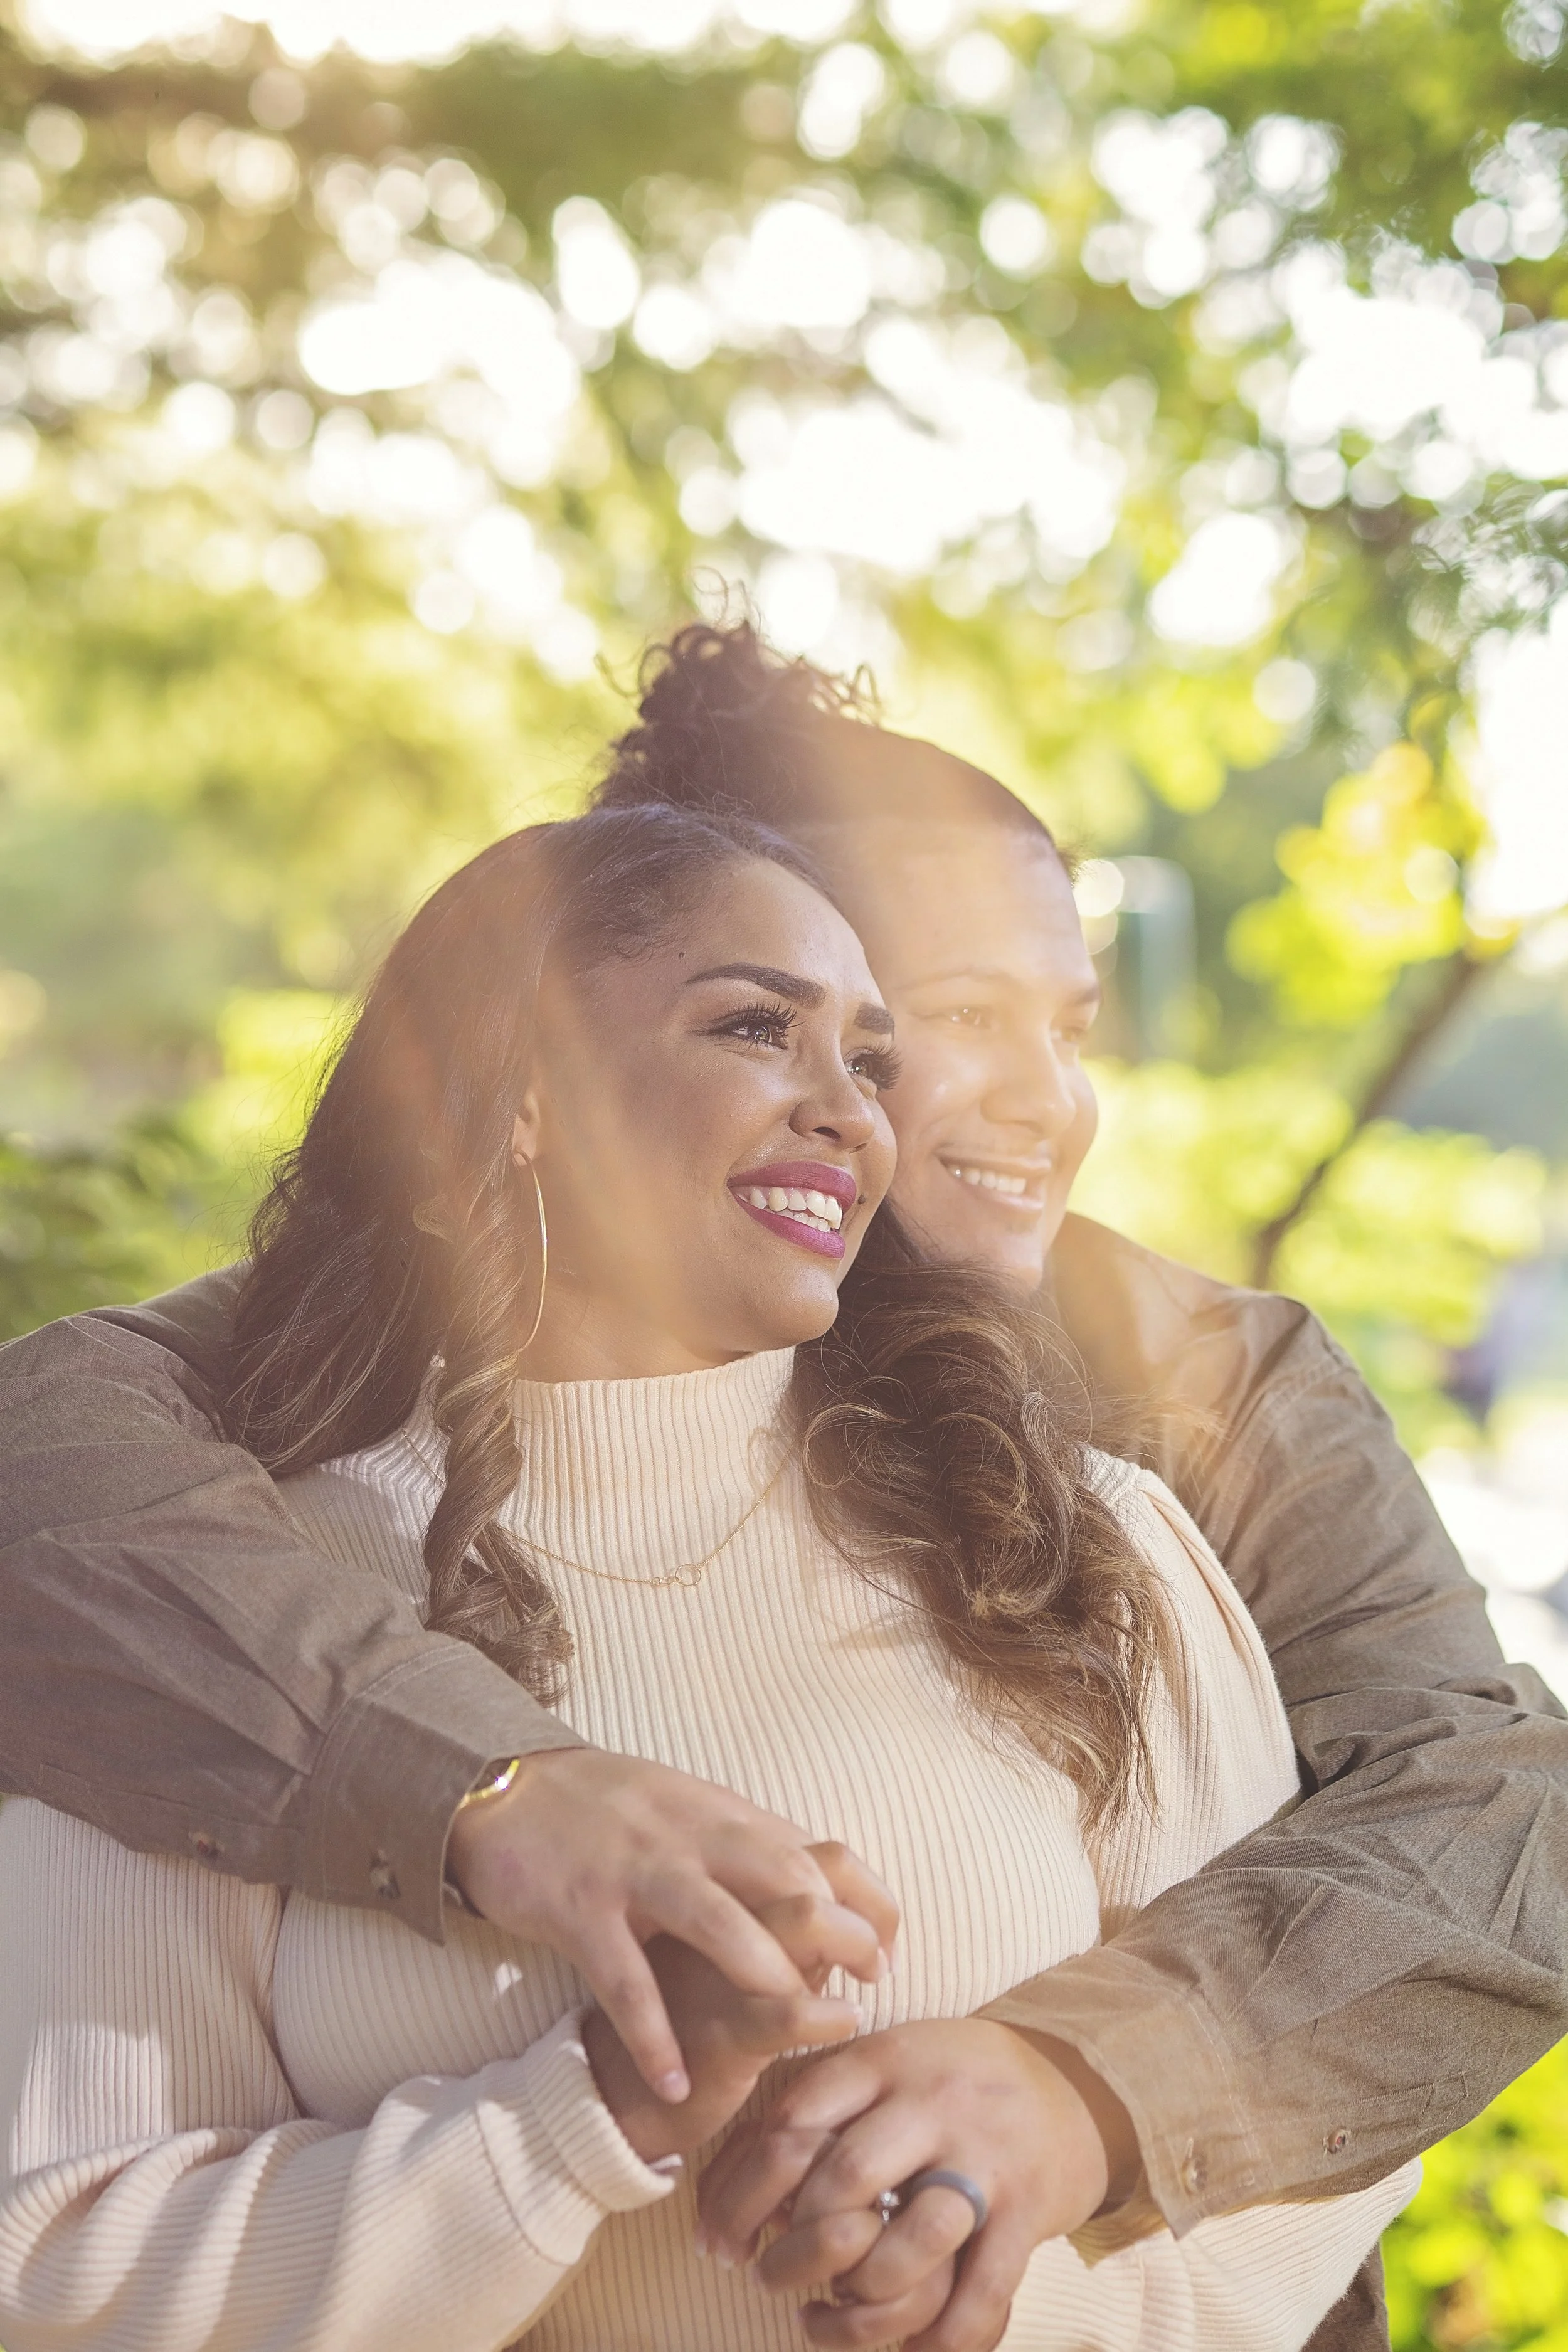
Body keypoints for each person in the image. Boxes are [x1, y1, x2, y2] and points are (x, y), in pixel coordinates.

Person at [1, 626, 1564, 2348]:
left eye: (1053, 1023)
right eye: (940, 1018)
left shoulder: (1177, 1422)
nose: (1034, 1103)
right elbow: (57, 1464)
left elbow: (1491, 1813)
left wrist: (1070, 2099)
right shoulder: (246, 1478)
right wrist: (500, 1810)